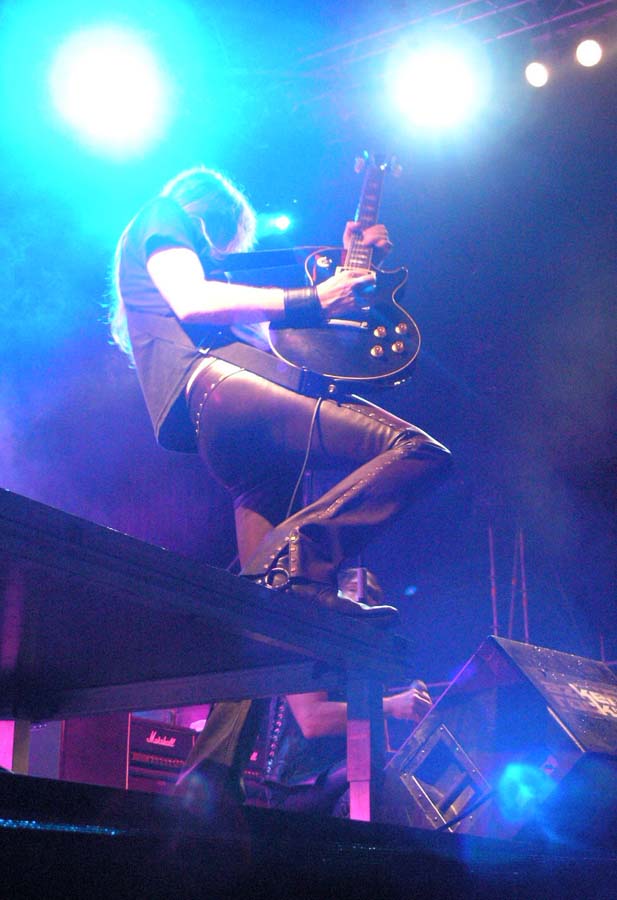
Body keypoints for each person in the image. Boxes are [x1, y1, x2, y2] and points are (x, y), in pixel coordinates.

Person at [109, 164, 451, 810]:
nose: (226, 256)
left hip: (230, 424)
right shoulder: (163, 215)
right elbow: (195, 298)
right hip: (223, 392)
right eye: (228, 243)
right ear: (212, 216)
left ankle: (206, 785)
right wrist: (316, 296)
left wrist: (350, 279)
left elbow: (298, 346)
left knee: (262, 607)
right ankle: (305, 558)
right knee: (418, 452)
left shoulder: (222, 305)